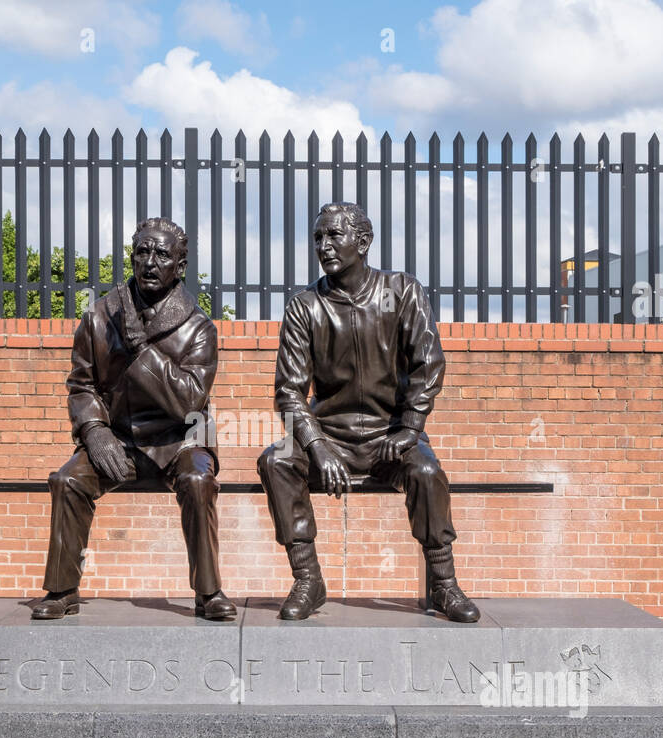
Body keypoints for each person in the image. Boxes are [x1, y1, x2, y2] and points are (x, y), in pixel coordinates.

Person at [257, 202, 479, 623]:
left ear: (363, 242)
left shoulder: (402, 291)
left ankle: (445, 584)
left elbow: (428, 364)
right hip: (329, 437)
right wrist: (316, 446)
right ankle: (308, 578)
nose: (323, 246)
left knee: (427, 474)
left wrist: (410, 427)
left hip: (390, 435)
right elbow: (288, 392)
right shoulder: (305, 306)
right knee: (275, 460)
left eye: (332, 236)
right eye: (318, 237)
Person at [31, 217, 235, 621]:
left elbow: (189, 401)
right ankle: (62, 590)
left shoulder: (198, 328)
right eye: (143, 251)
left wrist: (142, 349)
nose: (150, 262)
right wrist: (94, 431)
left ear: (180, 265)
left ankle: (209, 592)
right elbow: (81, 384)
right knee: (67, 480)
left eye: (162, 254)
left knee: (198, 481)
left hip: (181, 439)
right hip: (117, 439)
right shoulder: (99, 317)